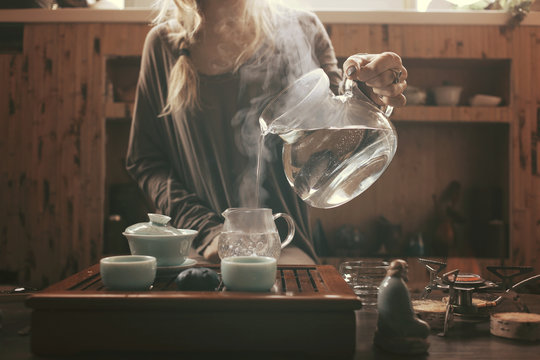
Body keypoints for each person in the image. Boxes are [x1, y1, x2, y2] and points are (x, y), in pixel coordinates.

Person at [126, 0, 408, 264]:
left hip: (286, 248)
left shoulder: (303, 28)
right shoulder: (162, 46)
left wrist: (369, 90)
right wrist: (206, 230)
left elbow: (338, 126)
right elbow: (146, 160)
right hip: (198, 251)